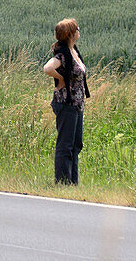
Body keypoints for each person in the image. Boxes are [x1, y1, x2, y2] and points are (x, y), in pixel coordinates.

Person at [43, 18, 90, 184]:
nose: (79, 31)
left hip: (77, 104)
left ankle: (73, 182)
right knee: (65, 145)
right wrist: (61, 78)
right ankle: (63, 182)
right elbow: (48, 68)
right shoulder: (62, 54)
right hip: (66, 103)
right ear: (71, 34)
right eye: (77, 29)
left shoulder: (74, 51)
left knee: (76, 144)